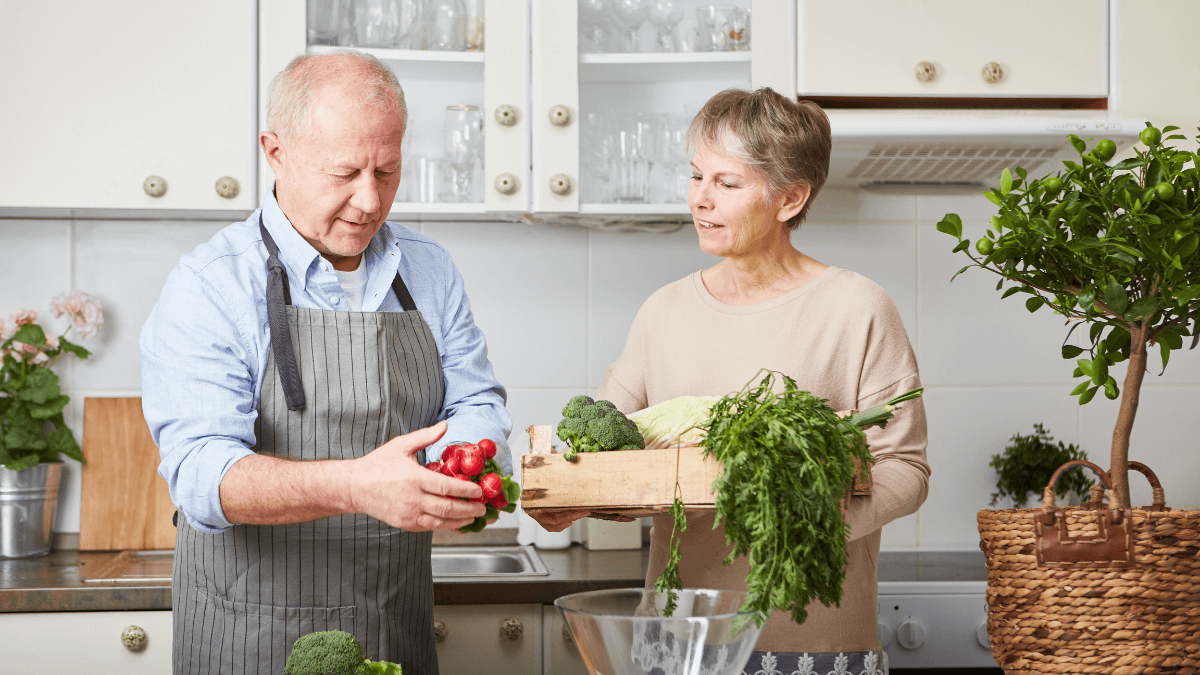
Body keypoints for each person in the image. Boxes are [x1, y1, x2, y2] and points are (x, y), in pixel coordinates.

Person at [532, 88, 929, 674]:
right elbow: (605, 447)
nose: (700, 199)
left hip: (815, 639)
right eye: (696, 176)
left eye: (727, 183)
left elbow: (907, 469)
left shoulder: (857, 307)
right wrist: (568, 496)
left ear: (790, 198)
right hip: (680, 639)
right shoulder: (663, 311)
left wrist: (799, 527)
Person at [140, 50, 511, 675]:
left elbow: (474, 403)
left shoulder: (429, 270)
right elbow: (202, 474)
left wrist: (464, 473)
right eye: (344, 173)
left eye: (386, 171)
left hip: (395, 623)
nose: (369, 200)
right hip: (248, 634)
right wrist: (353, 485)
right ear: (276, 151)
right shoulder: (210, 285)